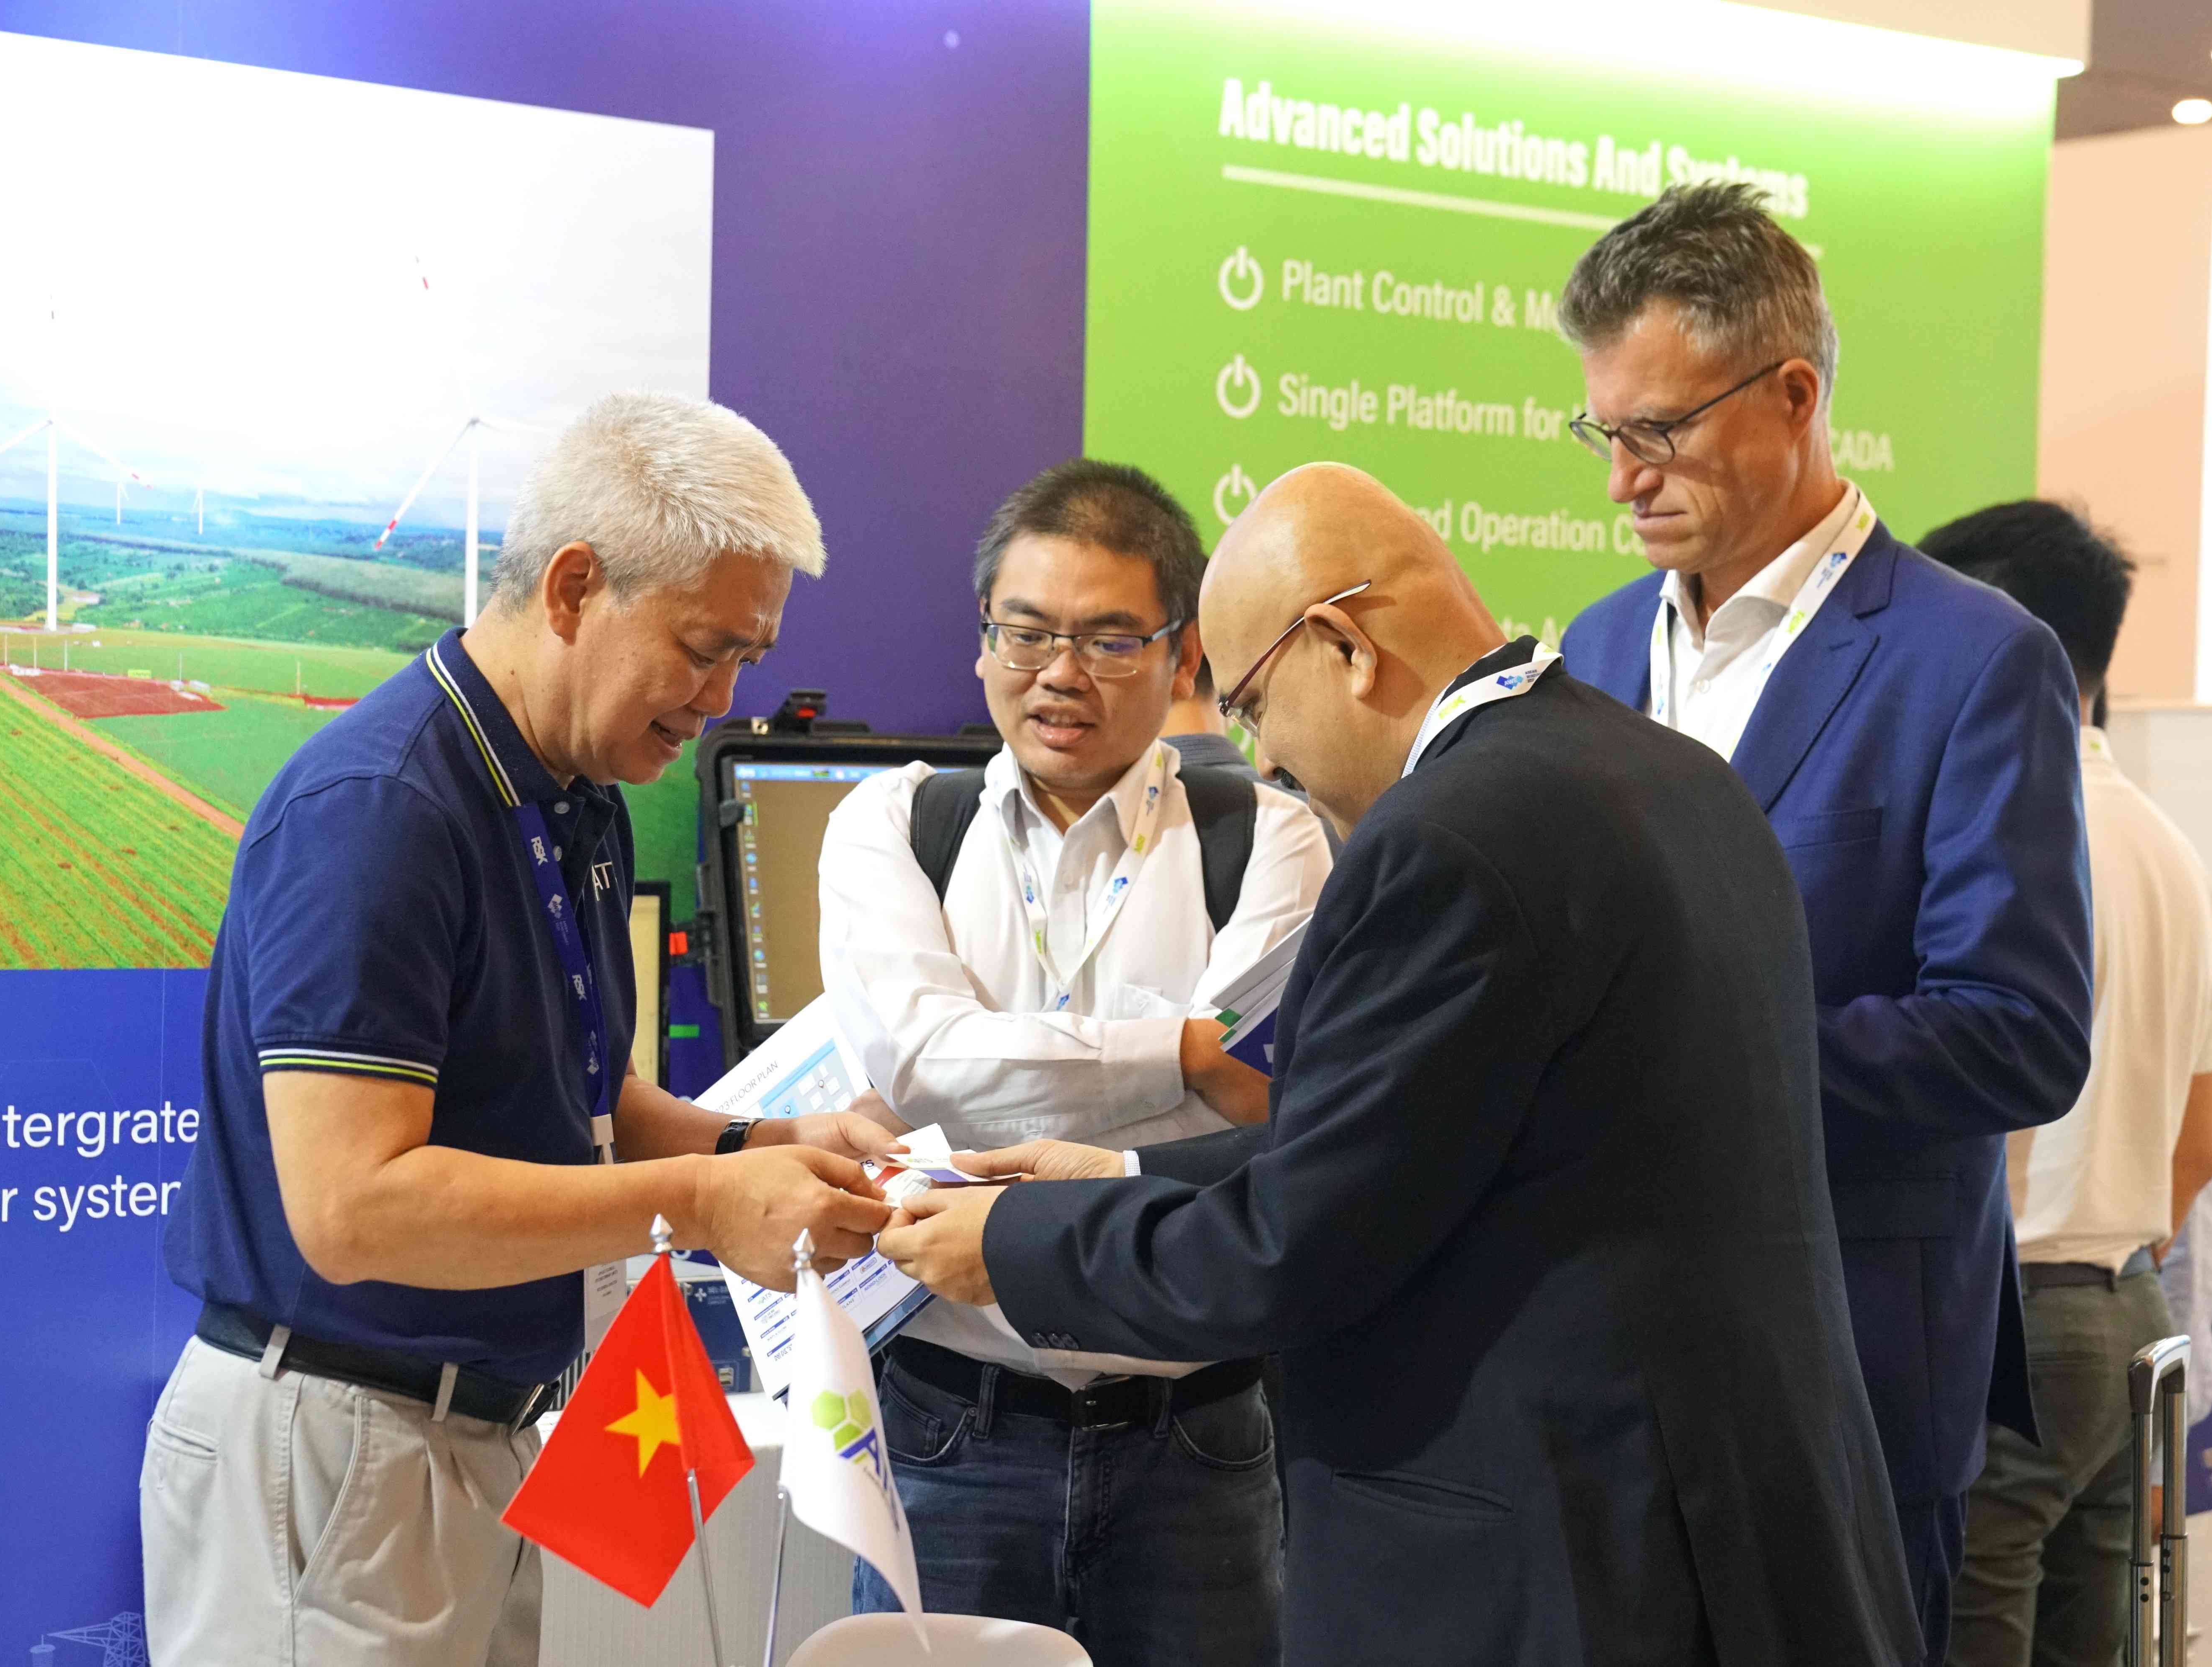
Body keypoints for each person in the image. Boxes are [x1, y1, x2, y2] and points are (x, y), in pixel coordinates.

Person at [881, 462, 1918, 1667]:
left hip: (1554, 1551)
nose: (1267, 762)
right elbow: (1413, 1142)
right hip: (1722, 1508)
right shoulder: (1667, 774)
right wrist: (1116, 1171)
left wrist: (1009, 1244)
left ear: (1344, 646)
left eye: (1255, 706)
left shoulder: (1446, 837)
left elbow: (1295, 1247)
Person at [141, 392, 900, 1667]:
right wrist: (703, 1204)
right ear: (573, 587)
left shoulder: (572, 789)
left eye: (748, 659)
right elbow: (354, 1208)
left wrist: (762, 1143)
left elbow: (586, 1101)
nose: (720, 698)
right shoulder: (382, 810)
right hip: (344, 1443)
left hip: (477, 1436)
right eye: (703, 648)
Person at [1553, 183, 2095, 1657]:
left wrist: (1691, 1063)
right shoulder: (1597, 646)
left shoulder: (1973, 659)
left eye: (1658, 431)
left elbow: (2018, 1032)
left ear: (1792, 395)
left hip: (1848, 1363)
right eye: (1602, 432)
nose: (1623, 480)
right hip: (1600, 1366)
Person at [815, 459, 1332, 1664]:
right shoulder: (893, 824)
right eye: (1027, 632)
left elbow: (1268, 1112)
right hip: (950, 1425)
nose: (1059, 673)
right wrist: (1179, 1053)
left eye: (1107, 639)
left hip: (1196, 1435)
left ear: (1181, 654)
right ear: (982, 639)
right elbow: (924, 1062)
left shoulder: (1268, 836)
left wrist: (999, 1068)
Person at [1919, 502, 2212, 1667]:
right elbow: (2194, 1148)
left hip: (2011, 1311)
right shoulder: (2173, 852)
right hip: (2129, 1313)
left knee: (1965, 1628)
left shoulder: (1999, 836)